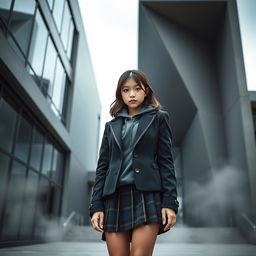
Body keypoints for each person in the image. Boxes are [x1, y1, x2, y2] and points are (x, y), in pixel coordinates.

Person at [89, 69, 179, 256]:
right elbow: (102, 168)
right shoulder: (110, 126)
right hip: (114, 198)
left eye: (137, 89)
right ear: (120, 94)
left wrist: (169, 203)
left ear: (145, 91)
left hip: (147, 196)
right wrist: (96, 206)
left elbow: (166, 162)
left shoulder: (159, 118)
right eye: (126, 90)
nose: (131, 94)